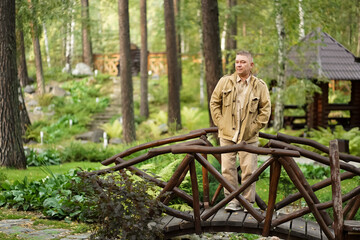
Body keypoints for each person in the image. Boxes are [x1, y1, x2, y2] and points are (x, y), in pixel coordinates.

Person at [210, 50, 271, 212]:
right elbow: (214, 103)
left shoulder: (260, 86)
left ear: (251, 65)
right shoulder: (225, 82)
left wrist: (254, 128)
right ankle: (232, 201)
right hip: (227, 134)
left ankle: (248, 203)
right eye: (237, 62)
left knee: (249, 171)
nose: (239, 64)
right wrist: (221, 123)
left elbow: (265, 110)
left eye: (243, 62)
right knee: (227, 169)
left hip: (249, 136)